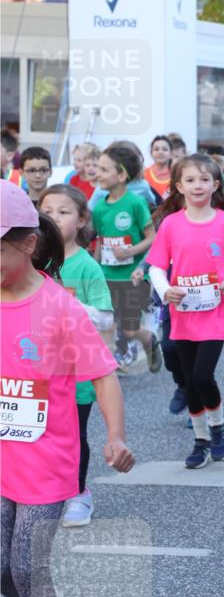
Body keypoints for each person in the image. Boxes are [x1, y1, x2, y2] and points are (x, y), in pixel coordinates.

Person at [0, 180, 133, 597]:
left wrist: (116, 436)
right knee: (7, 572)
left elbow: (102, 375)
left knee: (29, 567)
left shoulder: (59, 306)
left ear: (27, 245)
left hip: (47, 464)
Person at [147, 155, 224, 468]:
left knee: (203, 375)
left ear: (216, 184)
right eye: (190, 180)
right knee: (190, 381)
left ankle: (219, 427)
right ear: (178, 187)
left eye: (204, 179)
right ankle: (201, 440)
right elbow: (156, 268)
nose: (198, 186)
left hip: (215, 311)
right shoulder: (171, 224)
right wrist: (166, 291)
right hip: (183, 312)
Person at [39, 184, 115, 526]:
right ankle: (41, 491)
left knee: (73, 435)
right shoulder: (31, 260)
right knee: (37, 432)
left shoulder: (86, 267)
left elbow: (106, 317)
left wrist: (69, 306)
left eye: (64, 211)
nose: (53, 217)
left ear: (82, 219)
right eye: (47, 210)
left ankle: (79, 493)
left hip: (75, 370)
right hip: (35, 368)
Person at [92, 142, 161, 372]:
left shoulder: (135, 203)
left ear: (121, 175)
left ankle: (149, 340)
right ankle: (116, 360)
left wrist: (130, 252)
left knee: (130, 328)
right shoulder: (100, 207)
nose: (97, 174)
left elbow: (152, 237)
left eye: (104, 169)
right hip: (107, 274)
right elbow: (101, 239)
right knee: (109, 322)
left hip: (132, 276)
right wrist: (94, 265)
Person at [143, 135, 173, 200]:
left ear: (171, 154)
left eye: (165, 149)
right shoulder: (144, 175)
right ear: (151, 153)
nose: (160, 152)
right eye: (156, 149)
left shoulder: (176, 175)